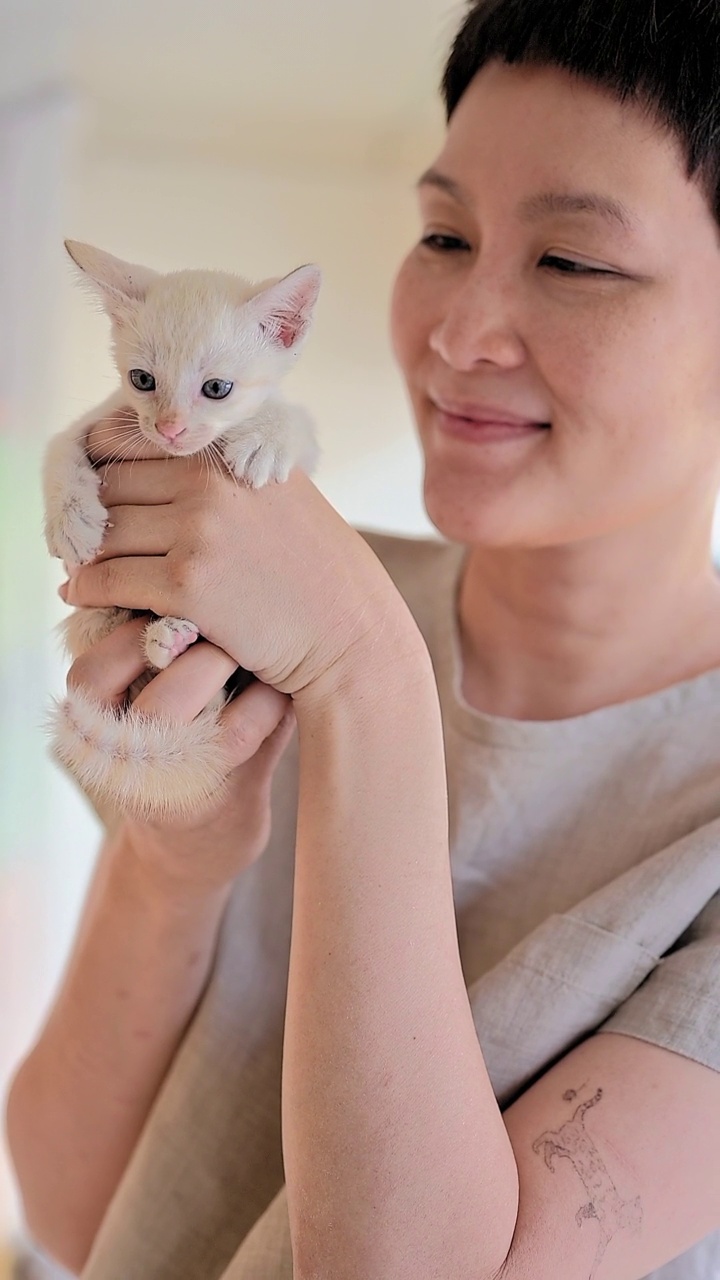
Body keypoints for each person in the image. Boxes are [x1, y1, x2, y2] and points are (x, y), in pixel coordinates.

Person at [6, 0, 720, 1276]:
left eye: (574, 262)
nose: (456, 333)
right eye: (444, 233)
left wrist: (368, 675)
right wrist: (174, 867)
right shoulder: (245, 617)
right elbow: (77, 1215)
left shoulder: (327, 622)